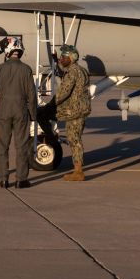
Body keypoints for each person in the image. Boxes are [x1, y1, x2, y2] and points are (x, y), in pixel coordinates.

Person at [0, 37, 37, 189]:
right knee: (21, 146)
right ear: (20, 51)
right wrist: (33, 115)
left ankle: (3, 179)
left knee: (2, 146)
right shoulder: (26, 69)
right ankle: (21, 180)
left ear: (7, 51)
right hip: (20, 110)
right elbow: (31, 95)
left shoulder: (0, 69)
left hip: (4, 111)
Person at [51, 44, 91, 181]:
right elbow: (64, 69)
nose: (61, 58)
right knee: (75, 138)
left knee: (74, 139)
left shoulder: (73, 72)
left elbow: (64, 91)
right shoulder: (80, 70)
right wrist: (56, 61)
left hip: (74, 111)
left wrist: (51, 104)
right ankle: (78, 169)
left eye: (63, 57)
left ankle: (78, 171)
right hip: (80, 109)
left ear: (72, 58)